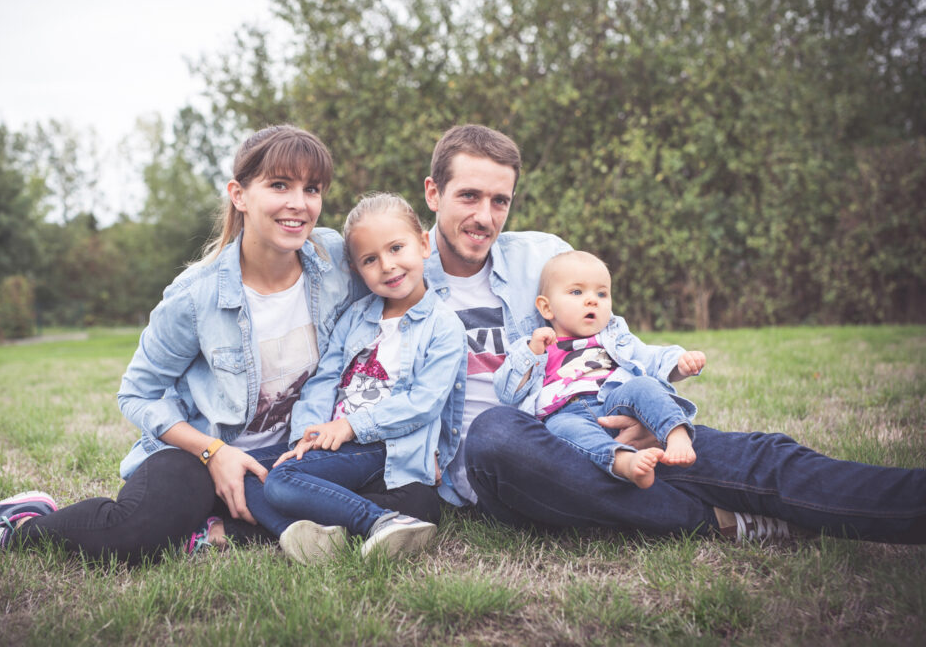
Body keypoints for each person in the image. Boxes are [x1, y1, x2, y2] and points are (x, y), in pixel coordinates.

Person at [0, 125, 436, 564]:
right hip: (205, 455)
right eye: (280, 185)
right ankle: (16, 526)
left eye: (312, 188)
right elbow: (138, 393)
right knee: (135, 531)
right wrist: (214, 452)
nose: (299, 204)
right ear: (240, 195)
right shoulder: (197, 295)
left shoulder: (335, 260)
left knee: (416, 499)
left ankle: (211, 533)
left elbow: (408, 262)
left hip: (292, 458)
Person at [423, 123, 925, 543]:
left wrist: (643, 407)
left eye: (500, 201)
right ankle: (714, 522)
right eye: (469, 196)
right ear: (433, 193)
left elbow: (608, 343)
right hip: (515, 460)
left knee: (760, 458)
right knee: (495, 432)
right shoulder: (396, 274)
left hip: (604, 420)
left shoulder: (541, 255)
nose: (484, 217)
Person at [248, 193, 466, 563]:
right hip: (337, 443)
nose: (388, 265)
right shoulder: (357, 317)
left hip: (384, 447)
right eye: (370, 259)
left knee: (283, 481)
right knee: (248, 471)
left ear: (424, 244)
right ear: (356, 269)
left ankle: (378, 520)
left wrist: (350, 426)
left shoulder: (444, 326)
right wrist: (307, 434)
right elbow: (324, 379)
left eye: (397, 248)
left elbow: (423, 403)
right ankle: (306, 536)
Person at [494, 250, 702, 489]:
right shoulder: (536, 345)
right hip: (566, 413)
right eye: (576, 292)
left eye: (602, 293)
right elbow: (507, 392)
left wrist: (680, 363)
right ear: (546, 307)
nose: (592, 300)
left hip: (615, 399)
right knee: (559, 429)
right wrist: (532, 352)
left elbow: (651, 358)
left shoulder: (614, 338)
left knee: (643, 385)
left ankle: (676, 435)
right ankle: (624, 461)